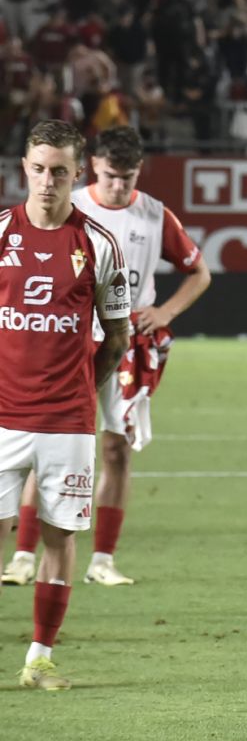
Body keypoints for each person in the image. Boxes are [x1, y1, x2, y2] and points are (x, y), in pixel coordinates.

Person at [5, 127, 208, 590]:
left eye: (129, 177)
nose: (119, 186)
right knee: (47, 440)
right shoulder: (66, 205)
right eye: (112, 176)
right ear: (92, 166)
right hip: (68, 342)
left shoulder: (155, 214)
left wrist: (165, 311)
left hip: (126, 341)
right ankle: (22, 555)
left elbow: (199, 271)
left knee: (116, 447)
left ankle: (103, 558)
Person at [0, 120, 131, 689]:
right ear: (23, 168)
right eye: (38, 169)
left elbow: (119, 338)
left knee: (59, 535)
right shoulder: (1, 232)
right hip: (2, 415)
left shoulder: (98, 244)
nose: (47, 181)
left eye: (59, 171)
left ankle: (39, 659)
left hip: (67, 421)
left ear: (78, 173)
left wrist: (82, 386)